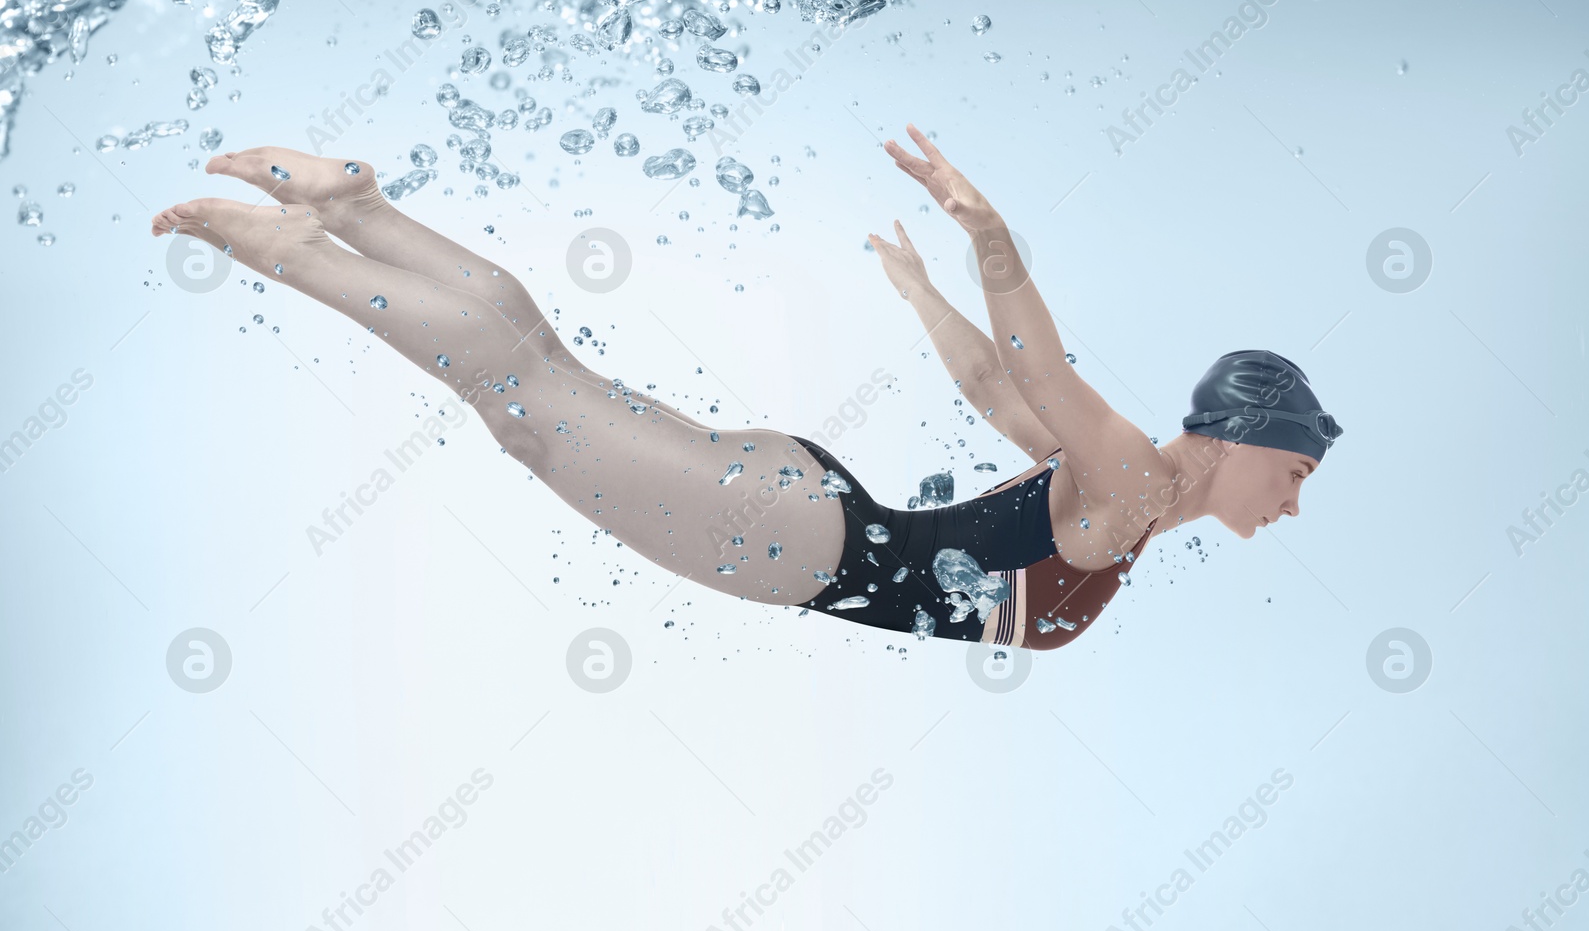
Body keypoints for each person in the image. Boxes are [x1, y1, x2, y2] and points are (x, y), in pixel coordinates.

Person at [149, 123, 1339, 648]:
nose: (1290, 503)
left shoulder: (1119, 499)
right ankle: (302, 248)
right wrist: (990, 241)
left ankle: (360, 211)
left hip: (805, 507)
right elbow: (1037, 361)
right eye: (1290, 471)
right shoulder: (1129, 481)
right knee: (522, 401)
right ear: (1232, 437)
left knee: (537, 379)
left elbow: (995, 389)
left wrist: (924, 288)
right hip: (791, 540)